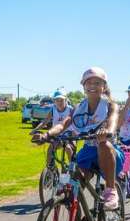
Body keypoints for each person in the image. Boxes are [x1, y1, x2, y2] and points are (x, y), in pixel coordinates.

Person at [34, 67, 122, 209]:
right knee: (73, 185)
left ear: (104, 86)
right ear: (83, 86)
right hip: (88, 153)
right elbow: (63, 124)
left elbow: (113, 119)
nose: (92, 86)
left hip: (109, 153)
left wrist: (107, 131)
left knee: (103, 144)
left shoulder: (110, 104)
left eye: (97, 83)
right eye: (89, 83)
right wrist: (47, 135)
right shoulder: (79, 107)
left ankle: (111, 191)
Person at [31, 89, 74, 165]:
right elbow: (45, 121)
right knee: (50, 150)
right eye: (57, 100)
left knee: (68, 148)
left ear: (66, 100)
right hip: (56, 134)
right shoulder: (53, 109)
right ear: (54, 101)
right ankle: (50, 169)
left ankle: (72, 167)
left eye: (61, 100)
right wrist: (35, 129)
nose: (59, 102)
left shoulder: (70, 110)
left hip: (69, 134)